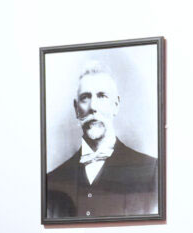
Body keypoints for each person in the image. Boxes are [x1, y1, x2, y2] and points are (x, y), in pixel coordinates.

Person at [45, 62, 158, 220]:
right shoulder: (52, 181)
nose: (93, 106)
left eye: (102, 96)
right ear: (76, 108)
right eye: (85, 97)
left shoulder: (151, 171)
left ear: (116, 105)